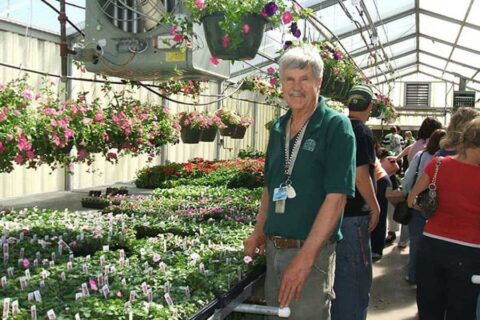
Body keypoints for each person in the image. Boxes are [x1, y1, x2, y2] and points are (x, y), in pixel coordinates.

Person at [243, 45, 356, 320]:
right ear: (281, 84)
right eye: (289, 79)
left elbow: (337, 197)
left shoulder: (335, 126)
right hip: (274, 250)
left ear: (318, 81)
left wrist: (304, 259)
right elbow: (270, 187)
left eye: (304, 79)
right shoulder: (279, 128)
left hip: (311, 253)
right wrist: (259, 230)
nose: (296, 87)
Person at [407, 118, 480, 319]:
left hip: (431, 245)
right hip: (469, 252)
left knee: (430, 308)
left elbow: (412, 199)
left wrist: (434, 208)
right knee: (461, 310)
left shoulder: (438, 164)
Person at [332, 84, 380, 320]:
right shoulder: (361, 131)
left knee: (338, 277)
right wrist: (375, 206)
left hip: (335, 214)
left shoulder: (338, 127)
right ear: (369, 106)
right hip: (353, 217)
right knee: (355, 278)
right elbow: (361, 176)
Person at [401, 128, 446, 284]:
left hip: (418, 204)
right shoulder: (446, 160)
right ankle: (432, 278)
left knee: (416, 242)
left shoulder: (420, 156)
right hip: (439, 207)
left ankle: (413, 274)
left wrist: (408, 195)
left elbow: (407, 179)